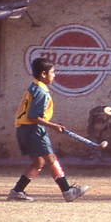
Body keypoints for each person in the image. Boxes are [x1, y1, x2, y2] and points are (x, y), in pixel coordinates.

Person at [8, 57, 88, 202]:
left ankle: (17, 191)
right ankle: (67, 191)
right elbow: (33, 116)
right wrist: (54, 126)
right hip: (32, 128)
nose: (54, 75)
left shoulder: (35, 86)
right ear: (43, 74)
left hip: (24, 128)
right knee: (51, 158)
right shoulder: (41, 92)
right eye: (53, 72)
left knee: (39, 162)